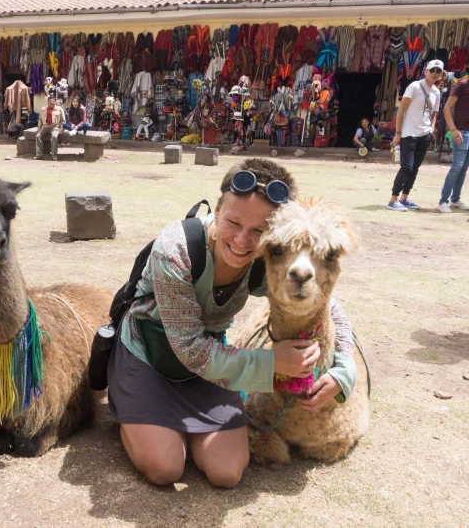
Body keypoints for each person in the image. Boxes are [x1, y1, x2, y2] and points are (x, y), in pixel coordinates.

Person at [107, 158, 356, 488]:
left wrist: (344, 369)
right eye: (234, 223)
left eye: (258, 231)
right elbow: (190, 350)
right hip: (151, 357)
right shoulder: (176, 251)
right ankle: (141, 417)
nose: (242, 240)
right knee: (164, 468)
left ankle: (171, 426)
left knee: (227, 472)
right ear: (218, 209)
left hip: (212, 364)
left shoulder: (262, 260)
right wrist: (274, 362)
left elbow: (328, 305)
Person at [388, 59, 444, 211]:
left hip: (424, 135)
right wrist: (398, 133)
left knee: (415, 168)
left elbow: (434, 114)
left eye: (438, 71)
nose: (434, 74)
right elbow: (401, 111)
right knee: (406, 166)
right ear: (426, 71)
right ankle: (393, 200)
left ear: (441, 75)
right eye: (432, 70)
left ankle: (404, 198)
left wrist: (431, 129)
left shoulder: (436, 92)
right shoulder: (415, 87)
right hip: (409, 134)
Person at [437, 73, 469, 213]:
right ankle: (443, 201)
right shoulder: (462, 84)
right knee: (457, 167)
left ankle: (455, 199)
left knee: (463, 169)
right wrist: (453, 129)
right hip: (461, 131)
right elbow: (447, 108)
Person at [35, 95, 65, 161]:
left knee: (54, 137)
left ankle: (54, 155)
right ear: (47, 102)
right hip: (45, 127)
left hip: (55, 127)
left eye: (53, 101)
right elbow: (40, 120)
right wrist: (38, 129)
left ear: (55, 102)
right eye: (50, 101)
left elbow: (63, 121)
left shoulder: (59, 109)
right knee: (38, 136)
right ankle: (39, 155)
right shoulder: (43, 109)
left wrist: (61, 129)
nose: (51, 102)